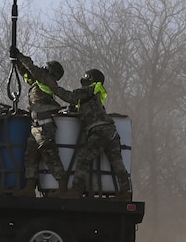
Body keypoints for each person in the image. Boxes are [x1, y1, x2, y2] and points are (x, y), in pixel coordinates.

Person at [10, 46, 74, 196]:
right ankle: (29, 188)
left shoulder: (47, 80)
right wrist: (17, 61)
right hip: (36, 126)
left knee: (50, 156)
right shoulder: (39, 82)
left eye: (47, 67)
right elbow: (26, 72)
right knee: (30, 156)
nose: (44, 68)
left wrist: (20, 55)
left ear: (52, 72)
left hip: (45, 126)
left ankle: (62, 187)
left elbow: (32, 68)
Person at [70, 69, 131, 198]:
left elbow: (70, 97)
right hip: (111, 131)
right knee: (117, 163)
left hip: (99, 132)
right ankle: (126, 193)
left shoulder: (88, 91)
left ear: (91, 79)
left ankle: (75, 190)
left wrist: (54, 87)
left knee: (83, 159)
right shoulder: (96, 94)